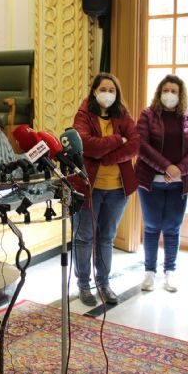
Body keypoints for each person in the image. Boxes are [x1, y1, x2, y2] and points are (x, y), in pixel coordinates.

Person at [71, 72, 140, 306]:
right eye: (103, 89)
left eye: (112, 90)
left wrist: (108, 157)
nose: (108, 94)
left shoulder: (123, 115)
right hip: (89, 187)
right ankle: (83, 285)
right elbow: (84, 145)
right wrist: (115, 141)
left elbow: (135, 144)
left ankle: (104, 283)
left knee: (106, 238)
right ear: (94, 91)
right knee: (84, 237)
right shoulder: (83, 114)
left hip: (117, 189)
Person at [135, 74, 188, 292]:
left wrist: (179, 170)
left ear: (181, 94)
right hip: (150, 181)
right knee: (152, 226)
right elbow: (141, 146)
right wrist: (167, 167)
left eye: (174, 91)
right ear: (159, 93)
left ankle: (170, 272)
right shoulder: (147, 115)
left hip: (179, 183)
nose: (170, 95)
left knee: (173, 228)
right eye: (166, 90)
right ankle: (149, 272)